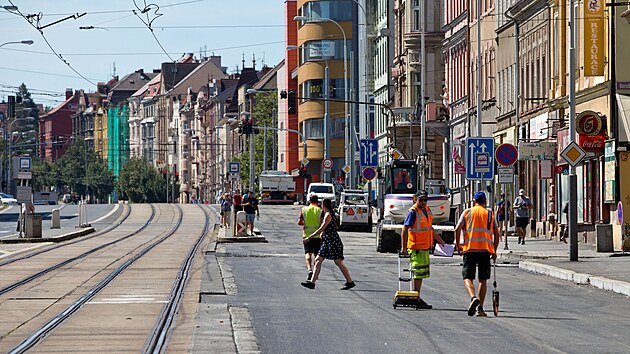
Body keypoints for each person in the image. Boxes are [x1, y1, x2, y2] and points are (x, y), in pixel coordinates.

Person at [455, 191, 500, 317]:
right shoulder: (490, 214)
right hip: (485, 251)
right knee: (483, 280)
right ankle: (480, 309)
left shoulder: (467, 212)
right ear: (485, 202)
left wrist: (458, 245)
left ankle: (473, 297)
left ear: (474, 201)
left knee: (467, 277)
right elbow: (497, 234)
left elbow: (457, 229)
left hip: (469, 249)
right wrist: (494, 250)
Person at [400, 190, 446, 310]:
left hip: (424, 247)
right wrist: (403, 248)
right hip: (416, 248)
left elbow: (429, 228)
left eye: (425, 200)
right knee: (417, 274)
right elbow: (405, 230)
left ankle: (416, 296)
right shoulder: (413, 212)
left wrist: (440, 241)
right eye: (421, 200)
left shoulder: (426, 210)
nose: (424, 202)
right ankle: (416, 298)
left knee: (421, 274)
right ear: (416, 199)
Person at [301, 198, 355, 290]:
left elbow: (321, 228)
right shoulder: (328, 214)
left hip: (332, 241)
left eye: (322, 204)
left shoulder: (328, 215)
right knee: (318, 260)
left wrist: (309, 238)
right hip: (327, 241)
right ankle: (312, 283)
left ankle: (350, 282)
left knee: (338, 262)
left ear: (323, 205)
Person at [298, 194, 322, 281]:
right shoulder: (320, 211)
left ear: (309, 200)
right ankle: (316, 273)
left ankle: (309, 270)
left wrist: (305, 223)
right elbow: (322, 223)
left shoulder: (304, 210)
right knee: (317, 255)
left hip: (307, 236)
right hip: (317, 236)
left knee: (308, 254)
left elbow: (299, 222)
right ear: (317, 201)